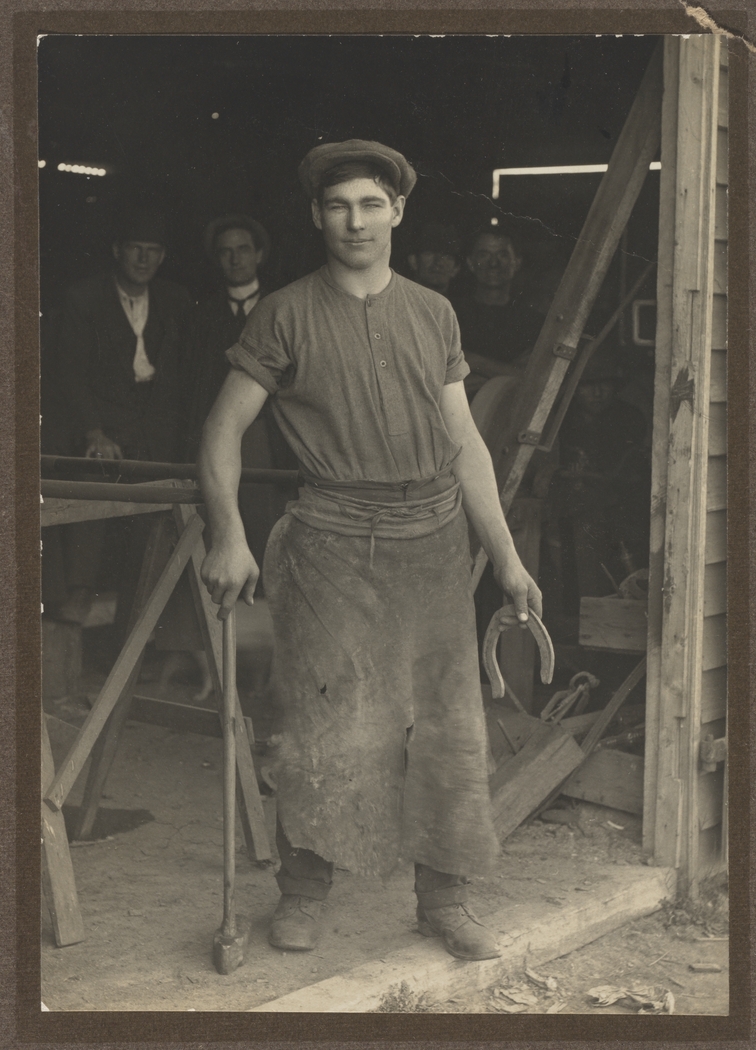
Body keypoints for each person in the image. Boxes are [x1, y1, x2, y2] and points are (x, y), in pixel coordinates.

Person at [197, 139, 541, 961]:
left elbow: (465, 442)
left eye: (371, 205)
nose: (356, 221)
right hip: (330, 545)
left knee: (447, 729)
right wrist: (229, 534)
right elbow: (221, 430)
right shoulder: (284, 313)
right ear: (317, 217)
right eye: (339, 206)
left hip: (432, 546)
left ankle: (444, 902)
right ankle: (304, 892)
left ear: (398, 213)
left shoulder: (434, 312)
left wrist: (506, 557)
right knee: (325, 721)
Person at [50, 208, 190, 625]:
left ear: (163, 256)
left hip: (156, 430)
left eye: (153, 251)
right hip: (103, 428)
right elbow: (69, 373)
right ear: (117, 251)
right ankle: (76, 605)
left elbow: (183, 375)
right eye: (135, 249)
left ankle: (145, 626)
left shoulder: (176, 300)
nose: (143, 259)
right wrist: (93, 431)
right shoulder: (84, 298)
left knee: (158, 522)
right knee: (88, 501)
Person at [180, 214, 295, 567]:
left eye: (243, 249)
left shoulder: (282, 308)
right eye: (225, 252)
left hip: (271, 435)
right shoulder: (201, 315)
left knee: (267, 524)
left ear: (259, 254)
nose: (235, 259)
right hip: (215, 430)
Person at [452, 227, 543, 398]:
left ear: (517, 262)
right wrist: (507, 373)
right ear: (471, 263)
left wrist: (473, 360)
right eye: (484, 255)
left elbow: (533, 380)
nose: (493, 263)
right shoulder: (450, 314)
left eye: (502, 255)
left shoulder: (533, 322)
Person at [406, 222, 461, 297]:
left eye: (447, 256)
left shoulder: (463, 304)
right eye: (429, 254)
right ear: (413, 261)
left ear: (456, 268)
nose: (439, 262)